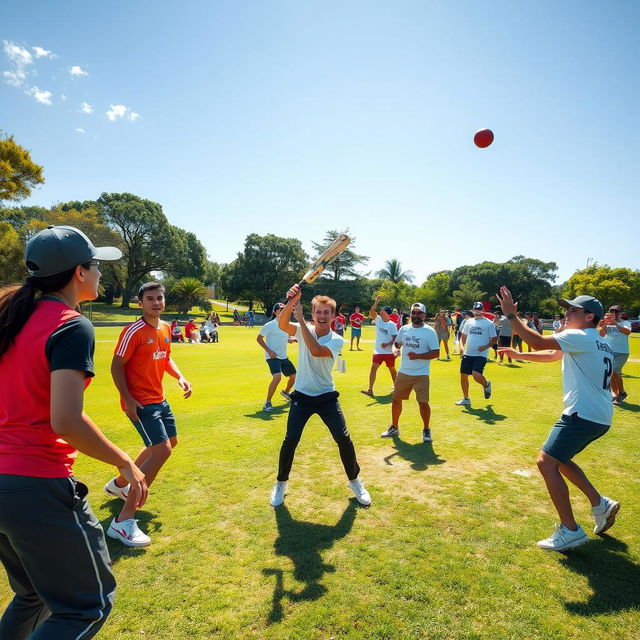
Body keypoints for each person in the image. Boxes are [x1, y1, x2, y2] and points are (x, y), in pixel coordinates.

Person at [0, 225, 147, 639]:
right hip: (36, 485)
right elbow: (64, 420)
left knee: (32, 595)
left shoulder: (13, 316)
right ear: (78, 273)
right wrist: (124, 462)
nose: (101, 273)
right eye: (96, 265)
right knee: (87, 606)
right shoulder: (70, 324)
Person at [496, 288, 619, 551]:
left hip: (581, 414)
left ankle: (570, 529)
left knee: (546, 462)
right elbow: (553, 355)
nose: (566, 312)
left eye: (572, 310)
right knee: (559, 459)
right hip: (599, 415)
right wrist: (519, 355)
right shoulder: (597, 340)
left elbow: (539, 342)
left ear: (588, 317)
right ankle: (600, 504)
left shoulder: (579, 335)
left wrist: (511, 315)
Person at [106, 282, 192, 547]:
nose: (156, 302)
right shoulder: (133, 331)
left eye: (159, 298)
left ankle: (120, 484)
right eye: (150, 298)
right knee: (162, 450)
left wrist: (180, 377)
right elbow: (116, 366)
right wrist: (128, 398)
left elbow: (165, 357)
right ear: (140, 303)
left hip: (160, 400)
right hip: (141, 403)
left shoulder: (165, 328)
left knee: (169, 443)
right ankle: (123, 520)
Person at [270, 283, 370, 507]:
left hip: (326, 397)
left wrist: (302, 321)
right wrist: (292, 301)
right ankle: (281, 483)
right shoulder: (302, 328)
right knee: (291, 440)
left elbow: (315, 350)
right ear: (313, 313)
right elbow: (282, 323)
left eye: (326, 312)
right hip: (302, 397)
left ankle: (355, 481)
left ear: (333, 315)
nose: (322, 316)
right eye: (318, 312)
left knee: (343, 439)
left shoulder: (335, 339)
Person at [381, 302, 439, 442]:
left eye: (419, 313)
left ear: (424, 315)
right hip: (404, 372)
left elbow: (436, 353)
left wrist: (418, 356)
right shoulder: (404, 329)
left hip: (421, 374)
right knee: (396, 399)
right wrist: (395, 350)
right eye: (414, 312)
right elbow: (397, 343)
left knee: (423, 403)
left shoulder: (429, 332)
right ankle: (394, 427)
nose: (416, 315)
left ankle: (426, 430)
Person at [257, 302, 297, 411]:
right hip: (272, 357)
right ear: (275, 312)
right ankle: (268, 403)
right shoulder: (270, 325)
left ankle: (286, 392)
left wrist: (291, 340)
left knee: (294, 377)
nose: (283, 311)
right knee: (277, 377)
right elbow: (259, 339)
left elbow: (286, 338)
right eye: (280, 309)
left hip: (283, 356)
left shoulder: (286, 325)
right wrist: (269, 351)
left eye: (284, 309)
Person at [455, 302, 497, 405]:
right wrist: (461, 347)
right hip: (468, 353)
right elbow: (463, 337)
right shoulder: (468, 321)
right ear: (473, 310)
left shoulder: (488, 323)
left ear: (483, 310)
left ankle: (486, 384)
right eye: (476, 309)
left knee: (476, 375)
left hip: (481, 354)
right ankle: (466, 399)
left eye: (479, 309)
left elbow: (494, 339)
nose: (477, 311)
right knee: (463, 375)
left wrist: (485, 347)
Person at [361, 296, 398, 397]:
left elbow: (396, 338)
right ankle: (370, 390)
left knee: (392, 369)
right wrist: (376, 301)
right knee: (373, 369)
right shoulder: (378, 320)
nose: (380, 312)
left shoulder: (392, 325)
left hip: (389, 352)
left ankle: (397, 387)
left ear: (386, 312)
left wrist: (387, 343)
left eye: (382, 310)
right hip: (378, 351)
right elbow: (372, 311)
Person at [600, 305, 631, 404]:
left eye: (616, 312)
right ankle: (616, 395)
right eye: (611, 311)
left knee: (614, 370)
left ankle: (622, 393)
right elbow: (601, 335)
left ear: (620, 313)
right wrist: (603, 326)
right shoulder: (607, 324)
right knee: (611, 373)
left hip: (622, 352)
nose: (613, 313)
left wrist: (615, 323)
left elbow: (627, 332)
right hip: (608, 351)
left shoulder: (625, 322)